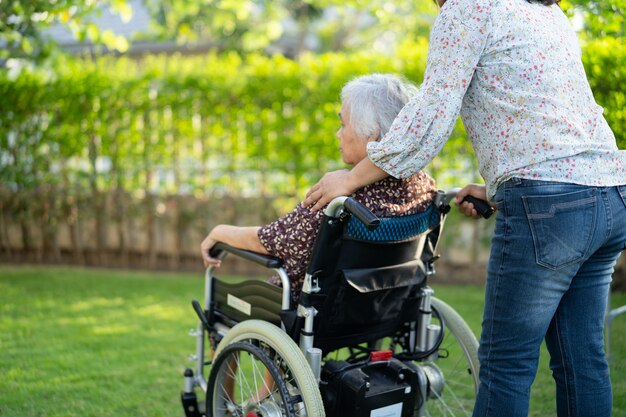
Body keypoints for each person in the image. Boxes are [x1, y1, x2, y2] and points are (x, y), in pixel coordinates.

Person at [302, 1, 626, 416]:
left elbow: (431, 114)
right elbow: (552, 122)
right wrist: (497, 189)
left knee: (506, 365)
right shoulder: (543, 11)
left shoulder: (468, 8)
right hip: (610, 192)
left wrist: (348, 179)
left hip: (550, 206)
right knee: (582, 361)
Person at [201, 73, 437, 304]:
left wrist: (220, 232)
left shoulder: (340, 200)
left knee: (224, 305)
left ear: (371, 135)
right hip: (384, 307)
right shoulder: (423, 188)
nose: (338, 133)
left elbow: (271, 241)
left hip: (311, 314)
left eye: (343, 124)